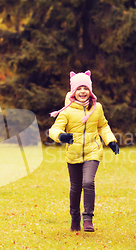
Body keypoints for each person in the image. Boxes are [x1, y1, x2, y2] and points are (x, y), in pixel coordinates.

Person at [49, 71, 119, 232]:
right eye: (79, 88)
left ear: (90, 90)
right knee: (75, 187)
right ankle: (75, 218)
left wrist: (110, 140)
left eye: (85, 88)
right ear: (73, 91)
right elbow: (54, 130)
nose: (82, 92)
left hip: (92, 151)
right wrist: (62, 136)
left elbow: (103, 126)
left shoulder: (97, 108)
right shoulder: (66, 111)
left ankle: (88, 218)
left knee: (88, 182)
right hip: (73, 153)